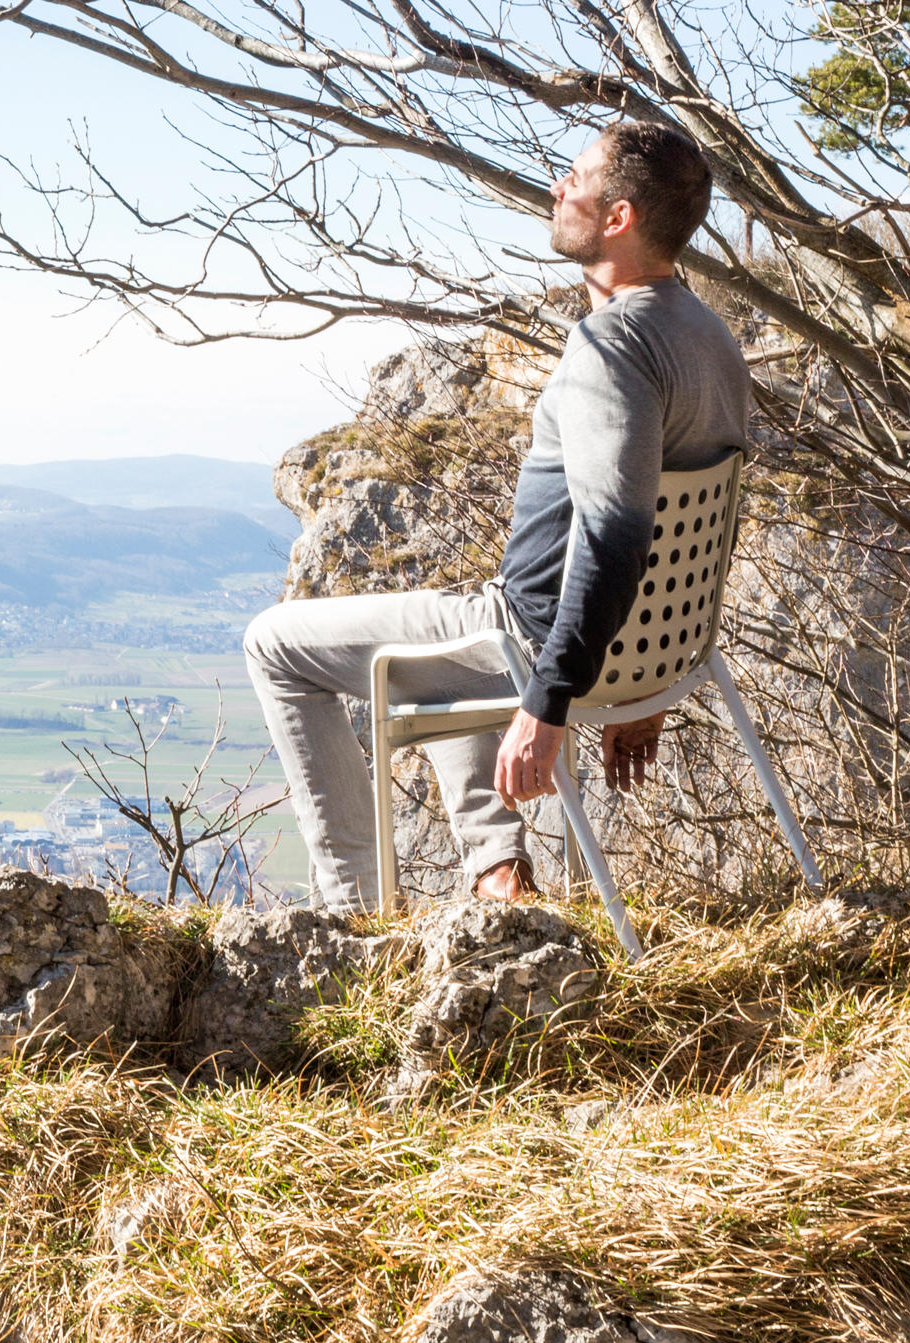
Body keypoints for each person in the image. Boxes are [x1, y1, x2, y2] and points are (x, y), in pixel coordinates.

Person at [244, 119, 752, 911]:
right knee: (453, 625)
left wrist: (551, 702)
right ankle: (498, 873)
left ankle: (349, 917)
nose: (558, 188)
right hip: (644, 649)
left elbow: (617, 538)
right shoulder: (707, 335)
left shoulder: (612, 348)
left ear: (617, 218)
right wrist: (641, 675)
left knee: (275, 644)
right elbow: (680, 526)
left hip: (536, 638)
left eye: (575, 180)